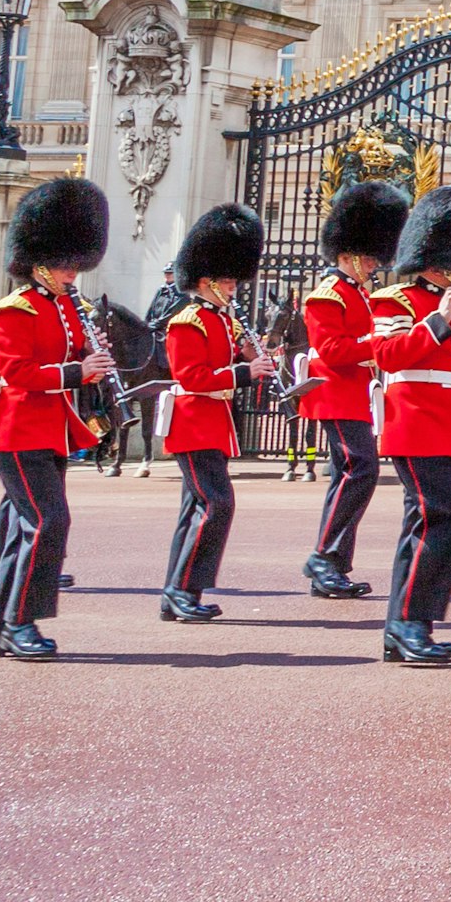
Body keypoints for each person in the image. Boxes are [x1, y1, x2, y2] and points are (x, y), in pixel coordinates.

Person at [0, 179, 113, 661]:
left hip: (49, 430)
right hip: (18, 432)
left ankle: (2, 630)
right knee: (48, 522)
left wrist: (94, 365)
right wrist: (78, 370)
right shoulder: (14, 309)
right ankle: (20, 622)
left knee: (27, 529)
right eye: (64, 264)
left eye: (75, 264)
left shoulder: (63, 307)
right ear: (38, 261)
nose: (71, 274)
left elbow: (74, 355)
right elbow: (15, 372)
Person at [371, 185, 451, 666]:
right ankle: (409, 623)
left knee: (434, 521)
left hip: (446, 424)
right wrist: (440, 321)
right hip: (413, 422)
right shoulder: (396, 299)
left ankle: (407, 626)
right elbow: (387, 354)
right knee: (443, 518)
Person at [154, 203, 263, 623]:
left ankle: (176, 593)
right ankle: (184, 589)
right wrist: (243, 372)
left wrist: (252, 358)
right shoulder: (187, 322)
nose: (234, 287)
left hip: (213, 424)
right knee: (217, 504)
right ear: (206, 280)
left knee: (197, 508)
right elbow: (193, 377)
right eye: (228, 280)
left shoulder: (223, 320)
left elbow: (227, 369)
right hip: (193, 424)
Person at [300, 179, 408, 601]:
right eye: (367, 257)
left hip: (357, 394)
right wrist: (376, 346)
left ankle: (332, 564)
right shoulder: (327, 295)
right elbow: (330, 349)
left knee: (353, 474)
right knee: (358, 470)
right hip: (335, 393)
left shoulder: (360, 293)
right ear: (345, 254)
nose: (374, 264)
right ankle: (324, 557)